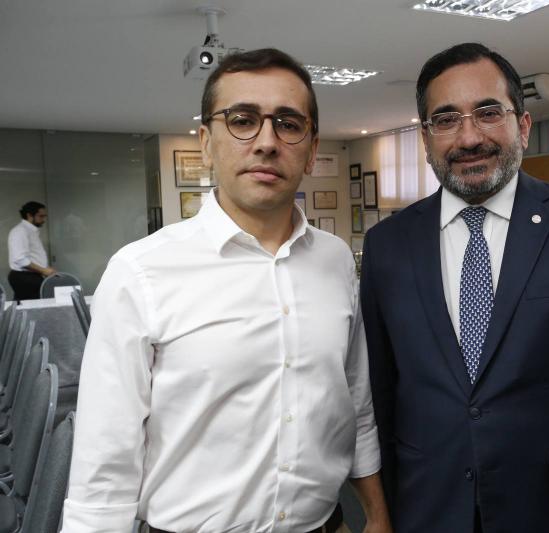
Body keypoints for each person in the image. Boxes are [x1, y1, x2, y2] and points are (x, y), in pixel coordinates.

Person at [62, 48, 391, 533]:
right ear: (206, 142)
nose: (266, 142)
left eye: (288, 124)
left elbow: (355, 403)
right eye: (242, 121)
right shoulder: (141, 271)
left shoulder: (336, 260)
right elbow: (105, 460)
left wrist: (378, 516)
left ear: (311, 149)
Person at [360, 43, 549, 533]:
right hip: (429, 507)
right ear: (426, 137)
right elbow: (380, 393)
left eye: (488, 113)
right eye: (446, 119)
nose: (469, 137)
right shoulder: (387, 246)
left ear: (523, 126)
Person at [7, 200, 56, 300]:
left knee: (30, 305)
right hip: (24, 277)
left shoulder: (31, 231)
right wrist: (44, 270)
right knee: (32, 306)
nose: (44, 219)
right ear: (29, 215)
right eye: (41, 216)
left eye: (44, 216)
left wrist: (45, 269)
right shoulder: (20, 231)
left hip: (32, 276)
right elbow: (20, 259)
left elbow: (34, 256)